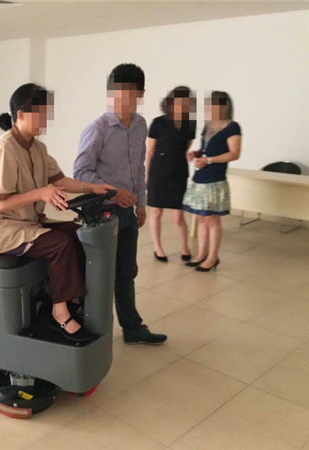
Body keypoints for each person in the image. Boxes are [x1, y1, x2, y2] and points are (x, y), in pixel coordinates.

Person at [0, 83, 119, 343]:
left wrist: (92, 187)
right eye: (41, 114)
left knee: (77, 234)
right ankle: (60, 312)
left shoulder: (38, 148)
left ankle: (72, 299)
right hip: (3, 228)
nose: (45, 120)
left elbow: (60, 181)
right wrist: (41, 193)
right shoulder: (3, 150)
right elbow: (0, 204)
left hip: (28, 222)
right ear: (21, 115)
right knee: (60, 244)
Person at [74, 63, 167, 345]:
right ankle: (89, 329)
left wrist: (141, 203)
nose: (123, 99)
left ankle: (132, 328)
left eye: (129, 93)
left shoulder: (140, 126)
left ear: (140, 93)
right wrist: (113, 193)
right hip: (102, 211)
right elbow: (81, 173)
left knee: (126, 272)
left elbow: (138, 167)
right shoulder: (97, 129)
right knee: (99, 274)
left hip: (128, 210)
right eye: (117, 92)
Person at [182, 91, 242, 271]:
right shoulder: (208, 126)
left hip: (215, 179)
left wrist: (208, 160)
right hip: (200, 177)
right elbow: (206, 149)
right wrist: (195, 153)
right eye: (208, 105)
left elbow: (234, 153)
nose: (209, 109)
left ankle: (213, 257)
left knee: (212, 220)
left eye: (213, 105)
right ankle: (202, 253)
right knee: (201, 217)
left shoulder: (232, 127)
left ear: (224, 107)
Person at [145, 86, 196, 263]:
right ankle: (158, 248)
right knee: (156, 212)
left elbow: (186, 147)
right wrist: (147, 174)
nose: (182, 105)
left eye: (186, 102)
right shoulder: (158, 122)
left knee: (178, 216)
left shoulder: (190, 123)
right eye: (178, 102)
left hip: (179, 171)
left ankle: (185, 247)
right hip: (158, 171)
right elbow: (150, 151)